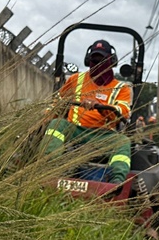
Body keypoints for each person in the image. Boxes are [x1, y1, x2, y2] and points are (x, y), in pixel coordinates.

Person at [40, 39, 132, 185]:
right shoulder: (76, 79)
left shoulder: (122, 88)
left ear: (111, 62)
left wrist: (100, 106)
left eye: (102, 60)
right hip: (74, 131)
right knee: (56, 125)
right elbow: (57, 103)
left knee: (123, 141)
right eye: (94, 60)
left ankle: (116, 183)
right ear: (88, 60)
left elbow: (123, 113)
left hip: (102, 135)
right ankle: (49, 171)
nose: (98, 64)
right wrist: (44, 118)